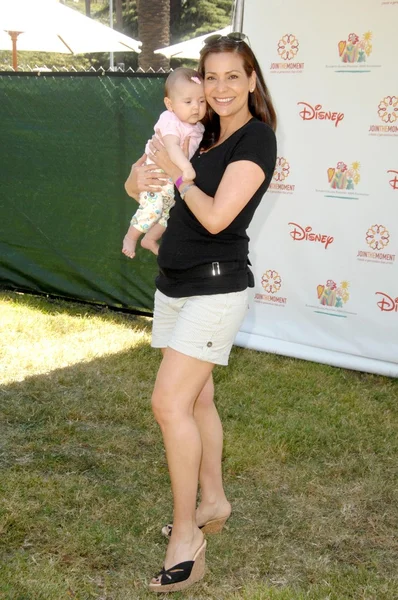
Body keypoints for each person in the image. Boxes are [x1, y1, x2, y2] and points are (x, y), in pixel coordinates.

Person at [124, 33, 277, 593]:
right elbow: (139, 184)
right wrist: (145, 174)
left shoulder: (256, 140)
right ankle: (213, 498)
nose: (219, 88)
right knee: (197, 398)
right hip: (175, 283)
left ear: (252, 80)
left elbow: (216, 218)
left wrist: (179, 170)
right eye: (210, 77)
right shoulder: (201, 132)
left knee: (168, 403)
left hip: (216, 288)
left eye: (232, 76)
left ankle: (188, 534)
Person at [122, 68, 206, 259]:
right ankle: (131, 236)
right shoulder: (170, 120)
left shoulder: (198, 126)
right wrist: (185, 167)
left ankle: (149, 239)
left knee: (170, 214)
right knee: (154, 208)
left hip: (171, 183)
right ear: (170, 104)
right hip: (156, 177)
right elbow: (172, 146)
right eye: (188, 102)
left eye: (202, 101)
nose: (196, 107)